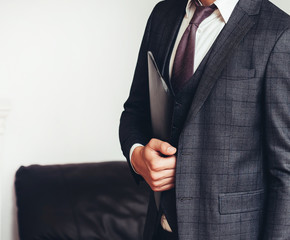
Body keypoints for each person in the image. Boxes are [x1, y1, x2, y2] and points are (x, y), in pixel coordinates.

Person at [119, 0, 290, 239]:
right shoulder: (162, 15)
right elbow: (135, 111)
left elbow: (286, 173)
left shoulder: (280, 33)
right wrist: (137, 156)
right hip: (159, 230)